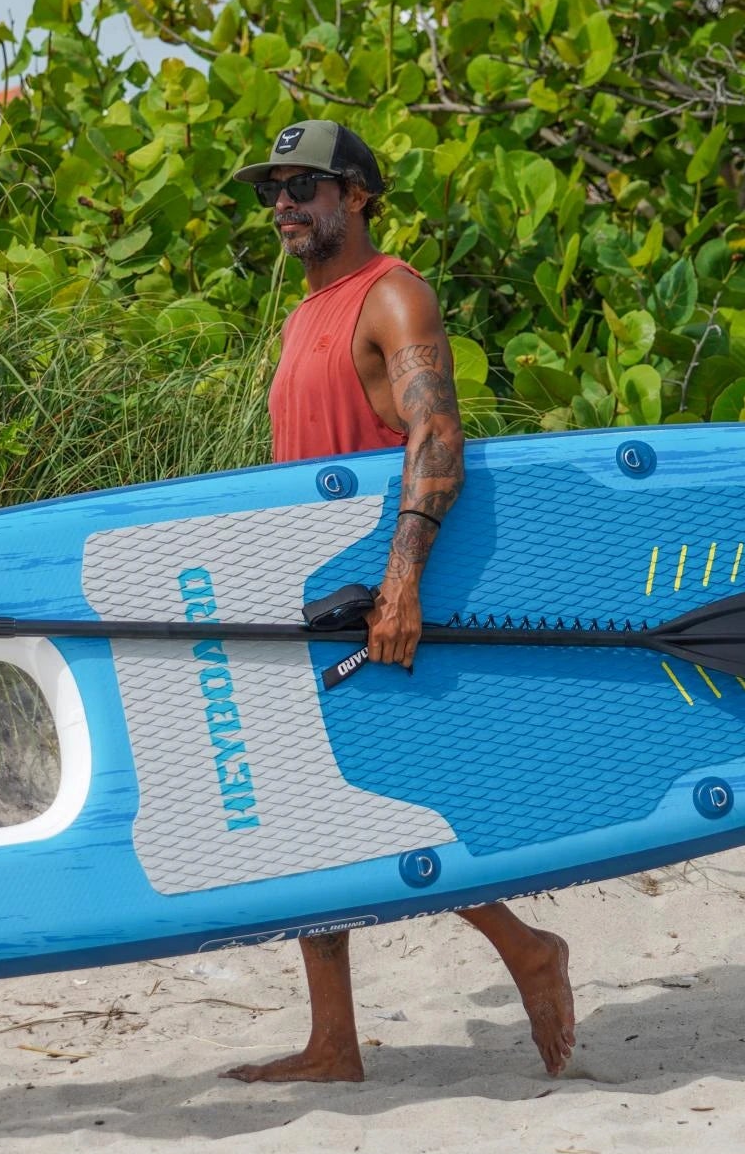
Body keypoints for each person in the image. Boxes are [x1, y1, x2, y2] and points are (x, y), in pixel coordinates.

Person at [219, 119, 576, 1083]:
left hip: (377, 590)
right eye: (274, 190)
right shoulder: (304, 315)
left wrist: (403, 582)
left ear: (359, 195)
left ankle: (525, 947)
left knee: (391, 805)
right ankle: (334, 1039)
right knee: (306, 810)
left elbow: (439, 436)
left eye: (306, 185)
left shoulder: (392, 296)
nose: (286, 204)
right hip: (313, 590)